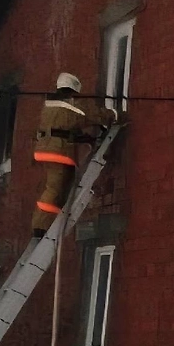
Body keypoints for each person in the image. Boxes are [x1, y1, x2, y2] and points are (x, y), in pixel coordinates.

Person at [31, 73, 117, 238]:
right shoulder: (71, 105)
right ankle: (40, 226)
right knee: (55, 189)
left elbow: (64, 129)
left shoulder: (51, 105)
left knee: (61, 188)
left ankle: (50, 222)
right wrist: (117, 115)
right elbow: (94, 115)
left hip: (47, 148)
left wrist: (87, 138)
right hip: (57, 151)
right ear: (73, 88)